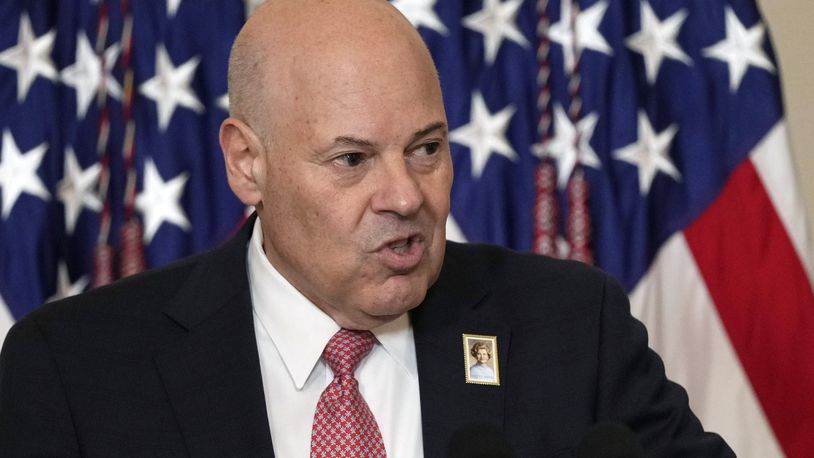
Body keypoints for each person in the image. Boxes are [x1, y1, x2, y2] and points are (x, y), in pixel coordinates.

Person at [0, 0, 735, 456]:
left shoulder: (572, 329)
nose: (404, 196)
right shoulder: (76, 373)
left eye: (427, 149)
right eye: (352, 159)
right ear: (247, 164)